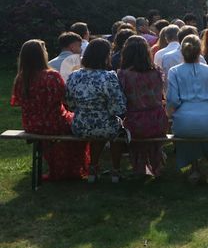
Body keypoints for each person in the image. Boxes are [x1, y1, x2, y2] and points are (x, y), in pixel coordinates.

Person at [11, 40, 90, 180]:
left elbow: (18, 102)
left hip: (32, 124)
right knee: (79, 125)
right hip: (54, 122)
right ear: (41, 55)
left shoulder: (20, 79)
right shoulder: (51, 76)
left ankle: (58, 168)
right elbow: (65, 99)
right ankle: (72, 168)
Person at [66, 38, 127, 183]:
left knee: (99, 130)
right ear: (106, 56)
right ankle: (116, 171)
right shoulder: (109, 76)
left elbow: (70, 103)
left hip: (80, 125)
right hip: (105, 125)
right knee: (116, 130)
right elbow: (119, 107)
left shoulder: (74, 76)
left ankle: (93, 169)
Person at [166, 35, 208, 184]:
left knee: (189, 131)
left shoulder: (174, 71)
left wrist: (178, 110)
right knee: (204, 132)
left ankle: (195, 168)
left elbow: (172, 99)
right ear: (200, 51)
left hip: (184, 117)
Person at [117, 36, 168, 178]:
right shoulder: (157, 72)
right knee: (152, 138)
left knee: (134, 133)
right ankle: (156, 164)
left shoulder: (123, 74)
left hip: (135, 121)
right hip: (157, 120)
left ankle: (140, 167)